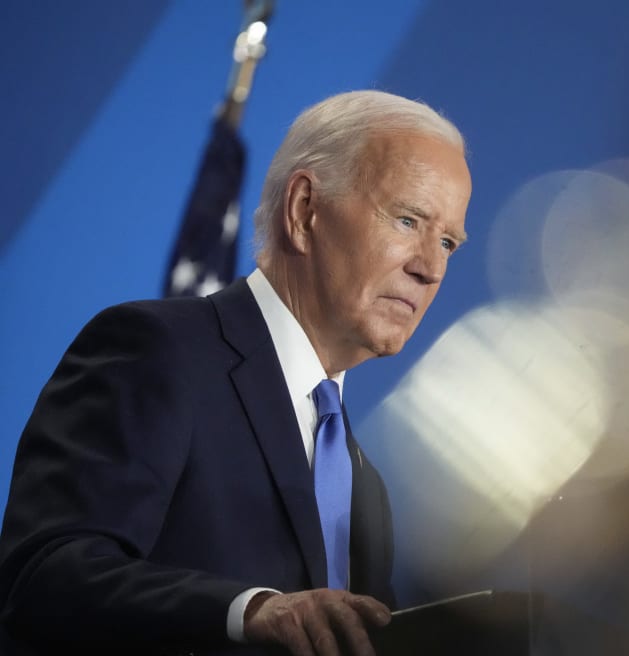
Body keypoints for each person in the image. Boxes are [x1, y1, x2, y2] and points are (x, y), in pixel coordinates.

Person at [0, 90, 472, 656]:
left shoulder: (361, 479)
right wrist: (249, 611)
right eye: (407, 219)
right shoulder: (158, 352)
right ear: (304, 211)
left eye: (447, 241)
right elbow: (40, 581)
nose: (431, 268)